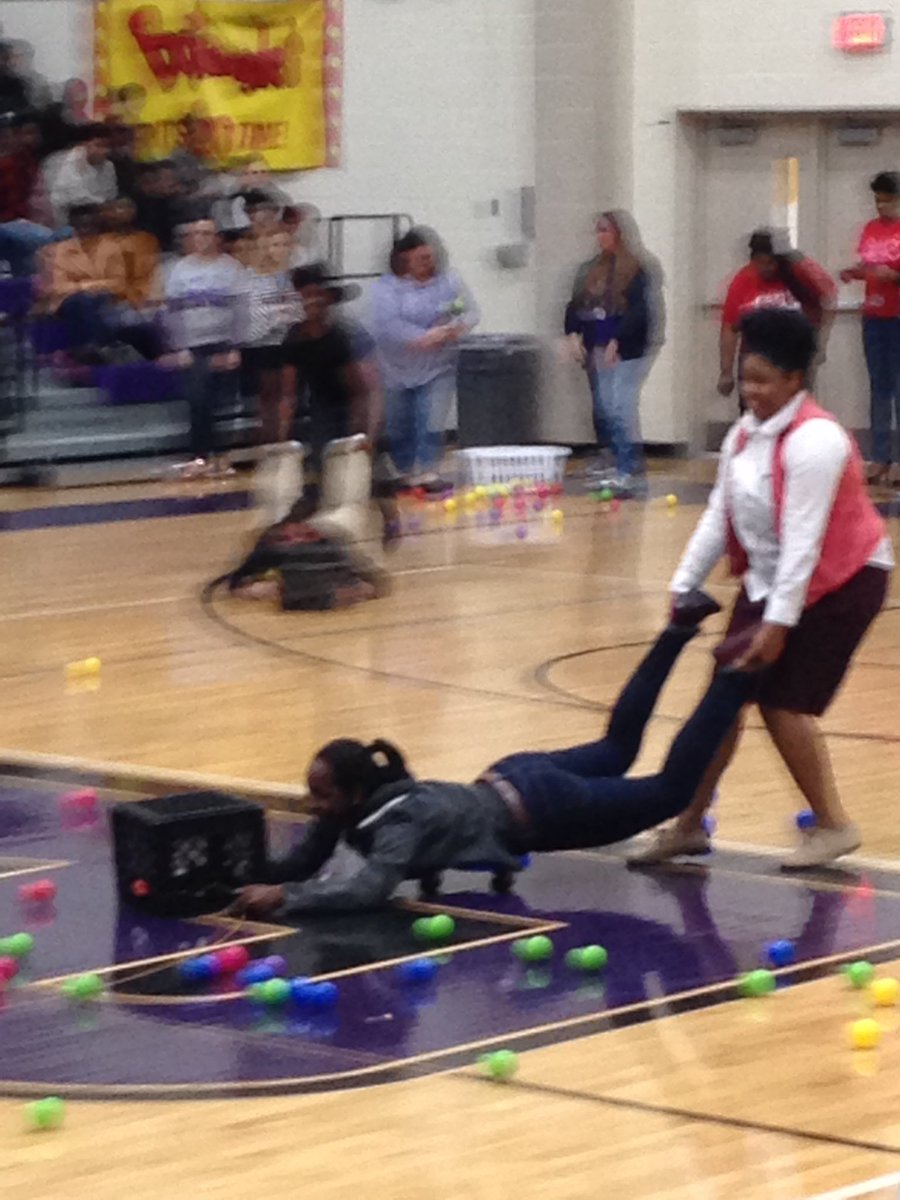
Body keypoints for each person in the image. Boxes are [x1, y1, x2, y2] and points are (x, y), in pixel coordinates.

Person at [229, 599, 759, 916]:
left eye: (321, 795)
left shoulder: (396, 821)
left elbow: (368, 889)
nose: (311, 805)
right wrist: (241, 874)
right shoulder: (365, 804)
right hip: (514, 774)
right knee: (616, 748)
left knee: (673, 790)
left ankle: (734, 676)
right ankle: (678, 628)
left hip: (545, 807)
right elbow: (303, 862)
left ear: (353, 793)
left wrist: (286, 898)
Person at [631, 308, 893, 871]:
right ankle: (687, 825)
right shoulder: (742, 437)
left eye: (763, 380)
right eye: (745, 378)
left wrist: (777, 625)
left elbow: (804, 542)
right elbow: (719, 512)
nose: (750, 391)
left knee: (781, 702)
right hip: (775, 578)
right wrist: (683, 583)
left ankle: (833, 826)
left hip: (844, 580)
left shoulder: (817, 440)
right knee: (722, 702)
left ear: (795, 379)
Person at [370, 229, 479, 490]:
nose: (427, 263)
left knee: (430, 419)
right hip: (396, 369)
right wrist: (422, 337)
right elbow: (386, 325)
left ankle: (428, 470)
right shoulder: (387, 288)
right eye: (420, 258)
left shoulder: (450, 281)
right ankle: (404, 471)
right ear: (403, 259)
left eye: (430, 257)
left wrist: (456, 327)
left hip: (438, 366)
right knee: (399, 424)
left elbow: (470, 311)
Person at [564, 211, 658, 496]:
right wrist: (572, 333)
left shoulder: (637, 269)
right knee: (605, 407)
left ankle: (629, 468)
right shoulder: (590, 269)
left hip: (627, 351)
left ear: (619, 233)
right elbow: (576, 305)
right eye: (598, 231)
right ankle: (615, 462)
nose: (601, 236)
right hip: (598, 347)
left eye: (606, 230)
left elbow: (641, 312)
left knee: (621, 408)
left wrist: (620, 338)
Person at [163, 215, 248, 477]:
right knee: (197, 399)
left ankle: (217, 455)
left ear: (217, 237)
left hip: (222, 343)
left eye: (206, 233)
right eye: (196, 234)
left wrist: (236, 346)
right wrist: (180, 347)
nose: (200, 239)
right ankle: (200, 455)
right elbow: (172, 312)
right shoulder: (180, 269)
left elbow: (241, 309)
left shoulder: (232, 268)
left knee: (217, 401)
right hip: (194, 345)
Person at [719, 228, 837, 404]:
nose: (765, 268)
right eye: (760, 262)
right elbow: (730, 327)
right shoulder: (743, 280)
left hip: (792, 358)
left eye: (770, 263)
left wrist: (821, 343)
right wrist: (726, 372)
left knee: (792, 410)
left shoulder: (799, 274)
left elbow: (828, 299)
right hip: (755, 356)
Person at [40, 202, 161, 363]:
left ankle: (94, 349)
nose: (85, 230)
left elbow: (118, 283)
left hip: (106, 299)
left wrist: (84, 287)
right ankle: (98, 347)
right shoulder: (59, 251)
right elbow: (59, 286)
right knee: (82, 302)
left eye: (89, 225)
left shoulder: (112, 248)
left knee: (95, 304)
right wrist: (90, 288)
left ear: (97, 226)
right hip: (67, 303)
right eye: (81, 225)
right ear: (73, 227)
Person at [840, 171, 900, 488]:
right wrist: (856, 272)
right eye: (878, 200)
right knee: (879, 389)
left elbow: (890, 271)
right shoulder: (870, 229)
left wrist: (895, 277)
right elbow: (869, 265)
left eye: (888, 199)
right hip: (875, 315)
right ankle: (879, 458)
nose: (882, 206)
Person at [244, 225, 297, 444]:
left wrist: (279, 313)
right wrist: (279, 314)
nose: (281, 250)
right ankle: (270, 442)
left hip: (292, 343)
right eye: (275, 245)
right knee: (268, 398)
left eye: (285, 244)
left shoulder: (294, 276)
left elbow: (299, 310)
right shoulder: (249, 278)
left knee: (289, 396)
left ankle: (285, 441)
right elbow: (253, 317)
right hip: (262, 346)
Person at [50, 124, 117, 222]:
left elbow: (111, 195)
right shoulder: (67, 161)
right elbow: (75, 198)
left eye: (107, 146)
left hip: (99, 217)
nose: (103, 151)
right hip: (68, 219)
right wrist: (104, 207)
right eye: (98, 145)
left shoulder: (109, 166)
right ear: (85, 144)